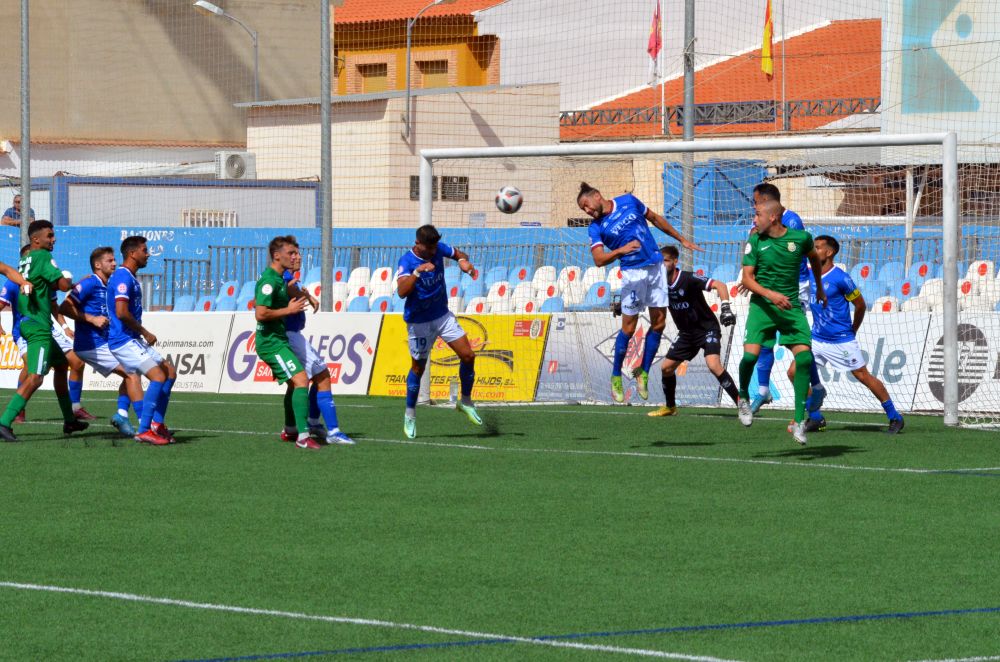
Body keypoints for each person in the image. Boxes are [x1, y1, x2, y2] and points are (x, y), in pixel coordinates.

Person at [577, 182, 702, 403]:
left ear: (597, 195)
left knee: (659, 323)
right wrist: (620, 251)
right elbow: (598, 260)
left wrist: (681, 239)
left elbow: (654, 218)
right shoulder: (595, 227)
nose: (587, 211)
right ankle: (616, 376)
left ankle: (642, 373)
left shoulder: (628, 201)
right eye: (583, 210)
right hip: (633, 275)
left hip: (655, 267)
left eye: (587, 205)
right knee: (629, 327)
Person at [790, 235, 905, 435]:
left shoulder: (841, 278)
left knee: (862, 375)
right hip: (817, 338)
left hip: (841, 339)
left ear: (829, 252)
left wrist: (853, 329)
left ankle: (895, 416)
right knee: (794, 372)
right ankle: (816, 417)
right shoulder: (809, 274)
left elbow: (859, 305)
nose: (814, 251)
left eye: (817, 247)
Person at [737, 198, 825, 445]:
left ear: (772, 217)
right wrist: (771, 295)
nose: (754, 220)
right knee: (750, 358)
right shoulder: (755, 240)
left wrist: (819, 287)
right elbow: (747, 279)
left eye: (756, 215)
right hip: (763, 307)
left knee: (805, 358)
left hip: (790, 305)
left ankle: (799, 422)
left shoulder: (801, 238)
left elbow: (814, 259)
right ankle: (743, 397)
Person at [0, 221, 87, 441]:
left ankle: (69, 421)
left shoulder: (25, 259)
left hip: (33, 323)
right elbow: (62, 285)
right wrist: (74, 282)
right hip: (37, 326)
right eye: (50, 235)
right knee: (36, 377)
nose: (53, 239)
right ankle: (3, 423)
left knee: (61, 364)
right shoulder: (43, 257)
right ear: (36, 239)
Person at [396, 224, 481, 439]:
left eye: (435, 248)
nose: (434, 253)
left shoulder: (438, 247)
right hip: (419, 322)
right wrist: (417, 272)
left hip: (442, 315)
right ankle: (410, 415)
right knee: (418, 368)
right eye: (429, 249)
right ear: (418, 244)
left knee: (468, 355)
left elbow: (459, 253)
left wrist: (463, 262)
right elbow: (401, 292)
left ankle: (466, 401)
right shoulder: (406, 261)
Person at [273, 241, 354, 446]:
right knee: (322, 375)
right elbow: (289, 290)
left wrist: (307, 295)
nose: (298, 257)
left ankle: (300, 426)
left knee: (301, 382)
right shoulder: (285, 278)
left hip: (292, 334)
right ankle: (332, 430)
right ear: (281, 256)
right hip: (290, 335)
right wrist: (307, 295)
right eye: (293, 253)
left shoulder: (289, 278)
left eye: (298, 254)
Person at [59, 246, 145, 437]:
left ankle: (122, 414)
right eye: (110, 260)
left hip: (105, 342)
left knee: (134, 371)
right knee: (132, 373)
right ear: (98, 265)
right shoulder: (90, 283)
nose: (114, 263)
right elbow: (64, 307)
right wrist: (91, 318)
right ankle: (145, 425)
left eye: (115, 260)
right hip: (91, 345)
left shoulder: (110, 284)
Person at [649, 245, 740, 416]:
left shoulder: (688, 278)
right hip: (686, 334)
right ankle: (670, 407)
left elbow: (719, 285)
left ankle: (741, 404)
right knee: (666, 368)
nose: (662, 265)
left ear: (675, 262)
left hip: (707, 328)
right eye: (659, 262)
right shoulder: (658, 284)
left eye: (666, 261)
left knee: (713, 365)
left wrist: (726, 308)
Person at [107, 235, 177, 445]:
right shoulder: (122, 277)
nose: (148, 254)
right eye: (145, 250)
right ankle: (145, 430)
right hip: (123, 340)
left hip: (132, 339)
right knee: (157, 376)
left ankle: (156, 424)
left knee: (169, 372)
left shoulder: (130, 277)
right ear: (132, 253)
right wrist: (145, 332)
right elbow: (121, 312)